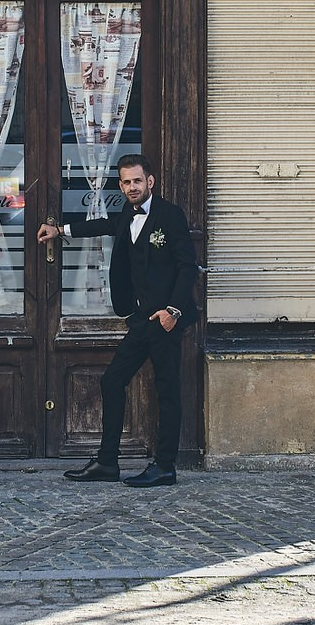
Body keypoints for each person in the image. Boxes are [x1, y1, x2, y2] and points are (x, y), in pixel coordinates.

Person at [35, 153, 197, 488]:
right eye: (126, 182)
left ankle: (165, 466)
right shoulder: (127, 212)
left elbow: (187, 267)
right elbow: (104, 225)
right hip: (140, 319)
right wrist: (59, 230)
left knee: (167, 391)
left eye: (137, 181)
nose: (132, 187)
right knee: (112, 382)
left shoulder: (170, 215)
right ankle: (108, 462)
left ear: (150, 181)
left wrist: (173, 312)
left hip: (164, 320)